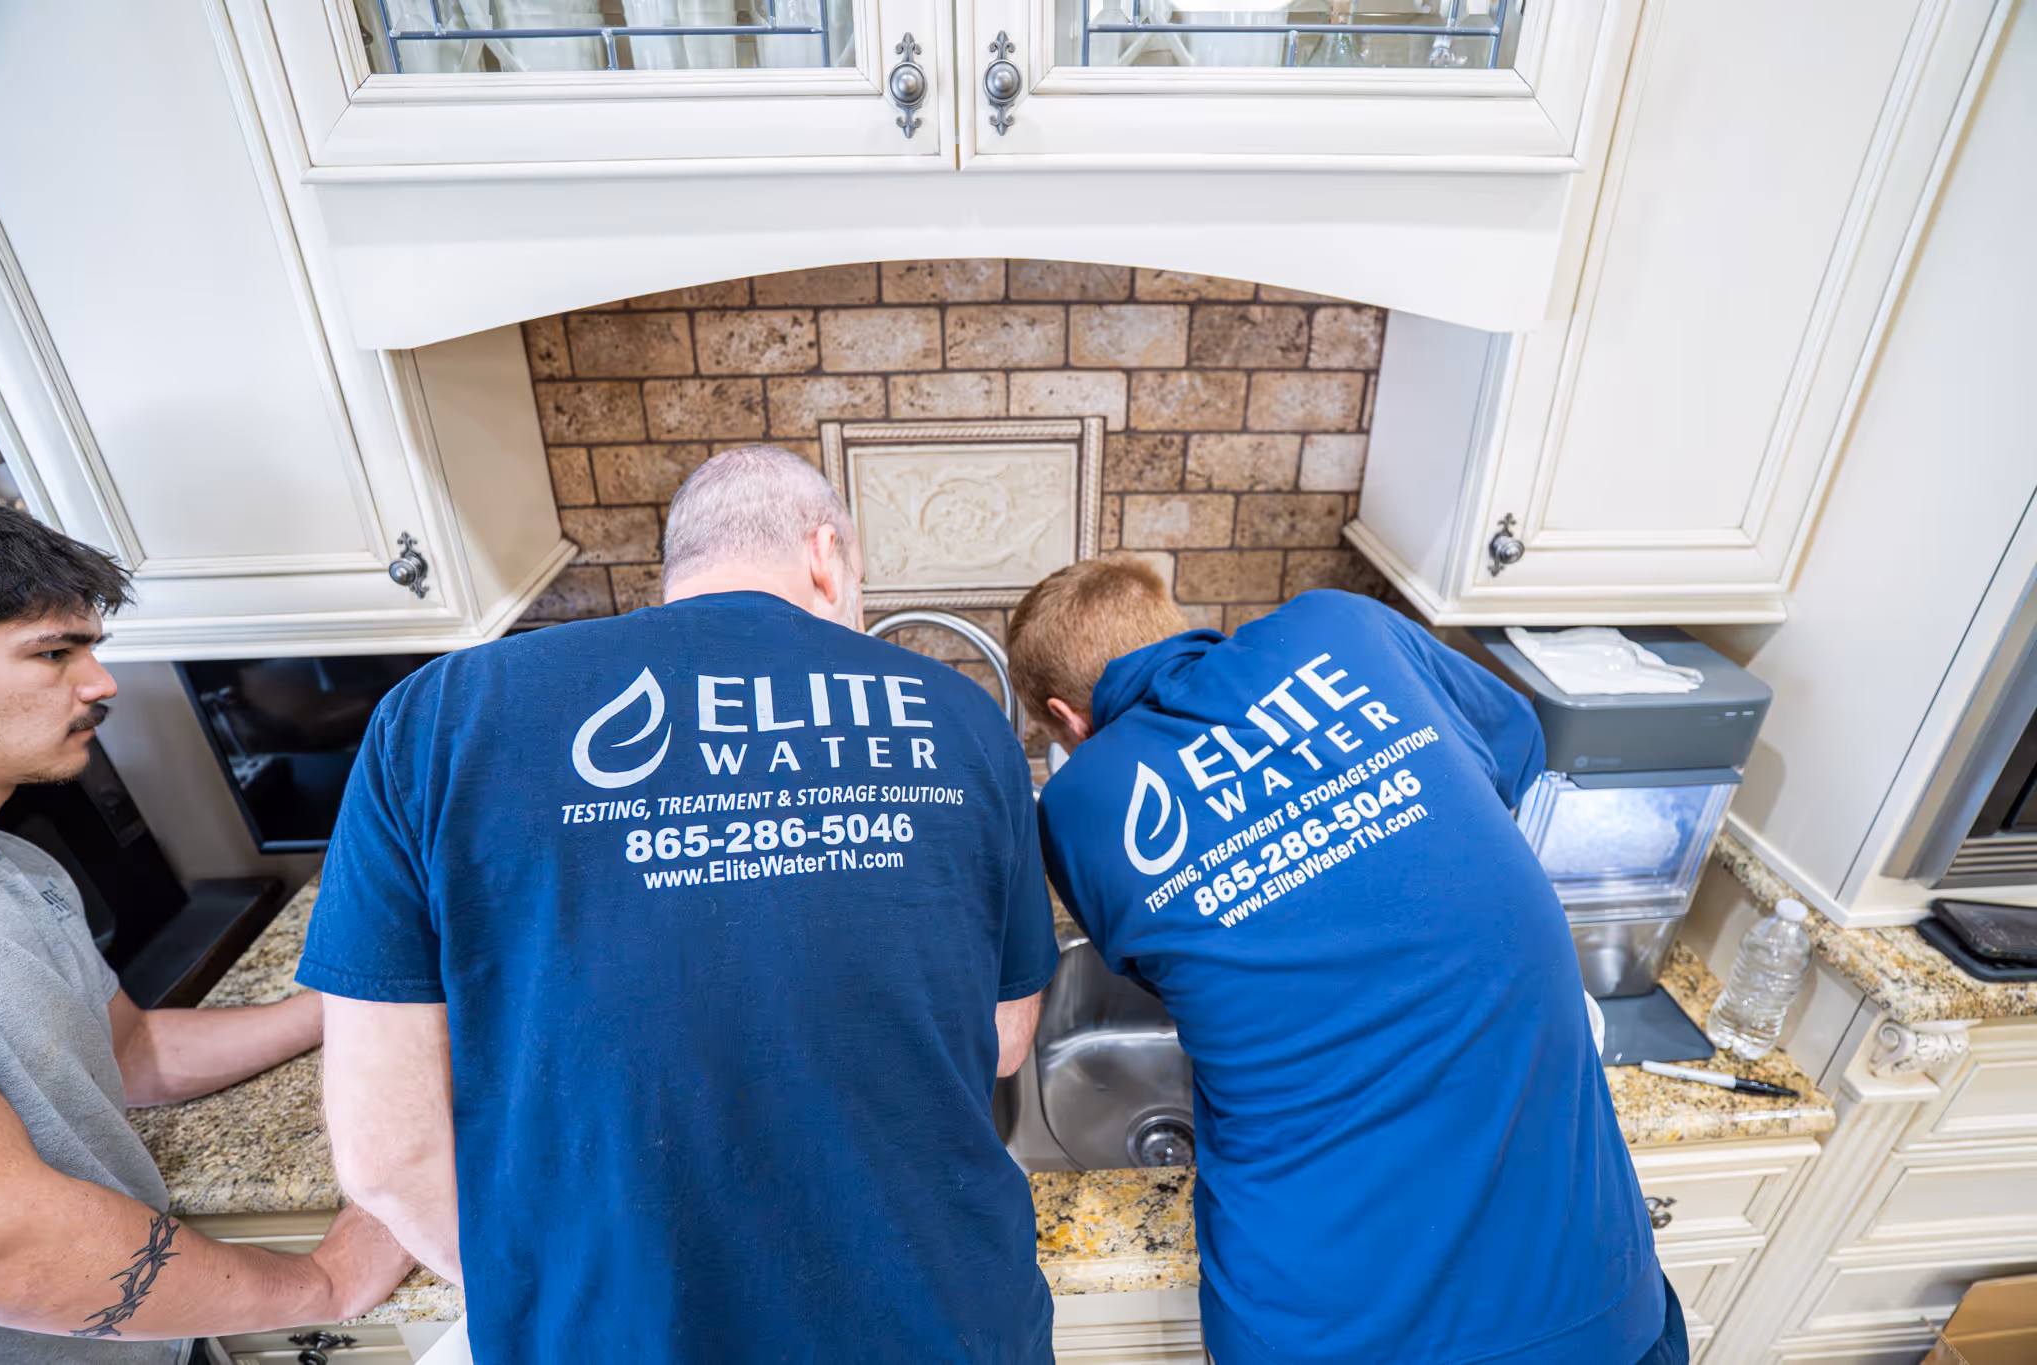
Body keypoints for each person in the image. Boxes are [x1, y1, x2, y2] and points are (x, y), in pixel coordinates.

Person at [304, 444, 1060, 1364]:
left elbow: (385, 1154)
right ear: (828, 558)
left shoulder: (439, 712)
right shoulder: (959, 711)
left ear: (679, 573)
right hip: (943, 1319)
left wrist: (568, 1300)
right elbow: (1008, 1037)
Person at [1009, 559, 1687, 1365]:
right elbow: (1516, 746)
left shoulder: (1081, 805)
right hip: (1589, 1308)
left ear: (1068, 718)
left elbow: (1154, 963)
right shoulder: (1347, 628)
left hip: (1326, 1327)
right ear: (1170, 620)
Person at [0, 504, 414, 1363]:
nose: (102, 682)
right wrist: (320, 1286)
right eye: (54, 652)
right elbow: (10, 1238)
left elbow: (135, 1052)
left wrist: (355, 1003)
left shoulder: (16, 870)